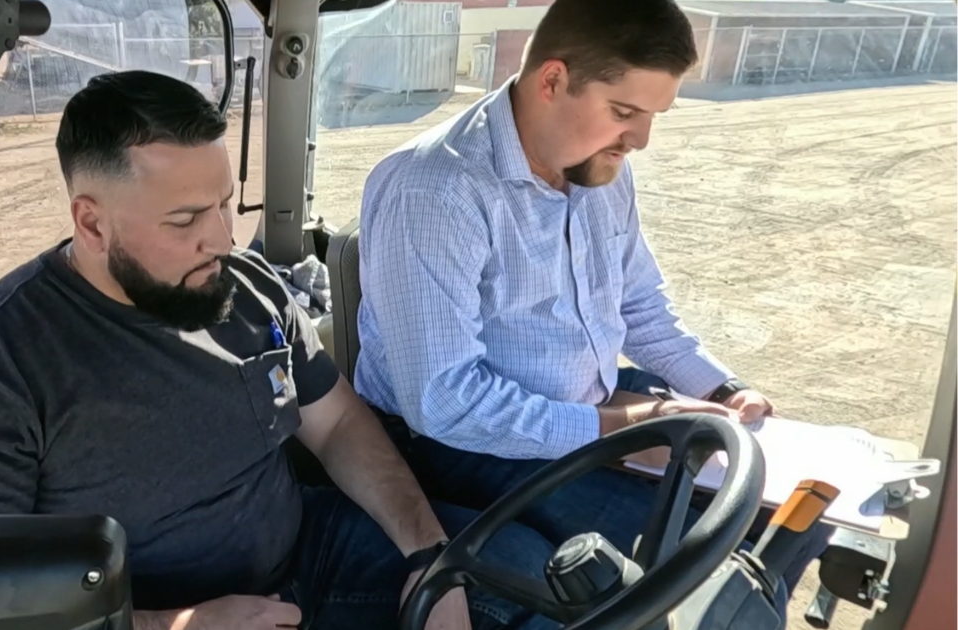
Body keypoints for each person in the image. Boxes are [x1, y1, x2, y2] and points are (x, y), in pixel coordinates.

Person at [0, 70, 562, 630]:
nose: (223, 241)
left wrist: (426, 552)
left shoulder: (246, 288)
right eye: (184, 221)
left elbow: (339, 425)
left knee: (536, 579)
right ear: (91, 222)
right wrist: (181, 624)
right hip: (139, 615)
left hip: (312, 553)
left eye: (224, 205)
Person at [353, 0, 831, 612]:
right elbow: (443, 402)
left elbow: (640, 306)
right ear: (552, 80)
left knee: (796, 510)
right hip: (461, 445)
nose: (641, 140)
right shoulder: (435, 190)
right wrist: (622, 425)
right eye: (625, 112)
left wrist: (719, 390)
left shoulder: (600, 166)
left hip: (591, 399)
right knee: (704, 557)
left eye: (653, 116)